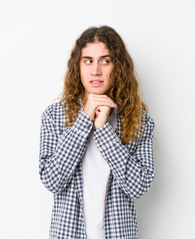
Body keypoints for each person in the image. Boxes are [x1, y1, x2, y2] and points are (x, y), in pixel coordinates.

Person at [39, 25, 155, 239]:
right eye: (88, 61)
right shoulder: (54, 116)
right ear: (78, 67)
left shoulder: (139, 121)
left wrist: (103, 130)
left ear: (117, 66)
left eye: (105, 60)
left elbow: (139, 186)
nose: (96, 71)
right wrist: (85, 120)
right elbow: (52, 180)